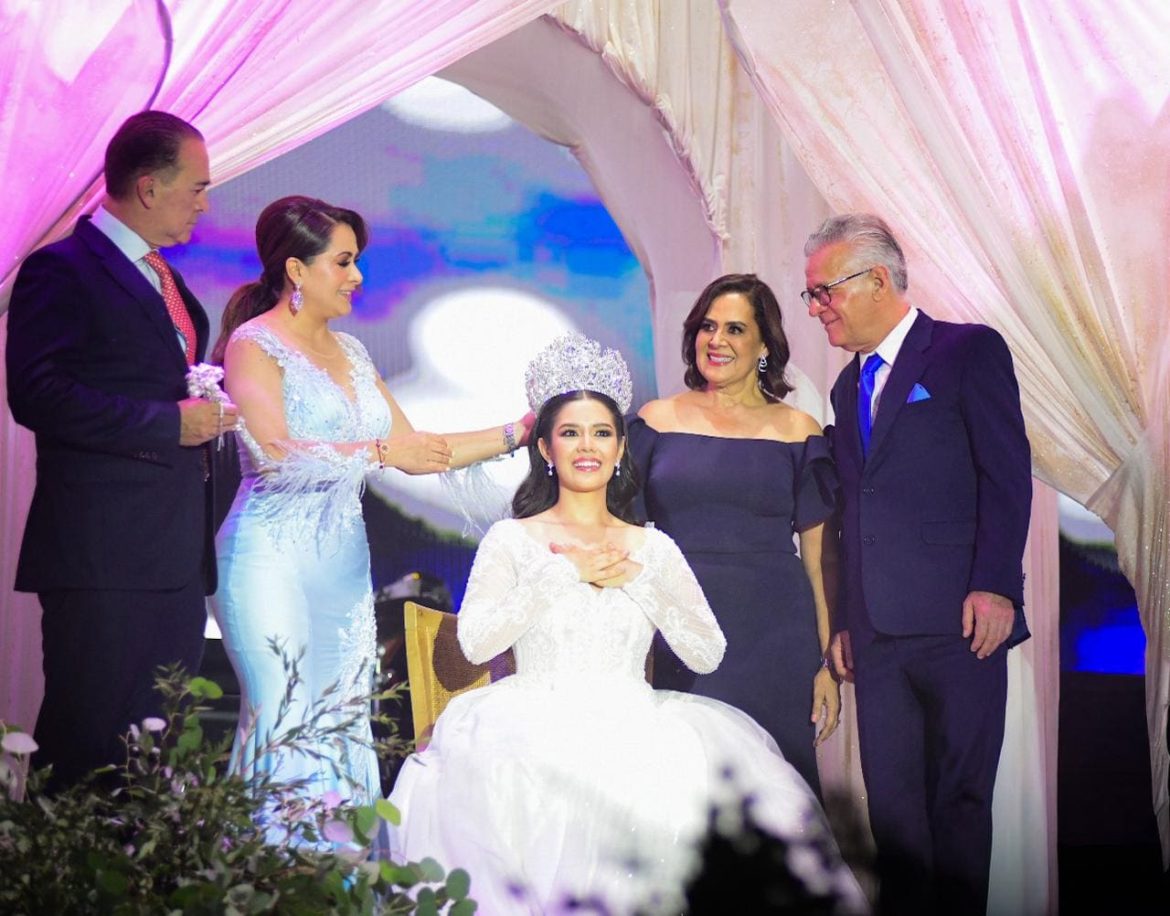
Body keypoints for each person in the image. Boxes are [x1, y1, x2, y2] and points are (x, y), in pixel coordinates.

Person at [387, 333, 865, 914]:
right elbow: (476, 640)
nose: (586, 447)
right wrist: (561, 574)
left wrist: (637, 580)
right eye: (570, 433)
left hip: (638, 722)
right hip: (529, 726)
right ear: (546, 448)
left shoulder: (651, 546)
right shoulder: (511, 539)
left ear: (620, 450)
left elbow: (707, 652)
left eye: (601, 433)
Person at [211, 195, 530, 827]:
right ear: (296, 270)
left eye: (357, 261)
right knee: (283, 713)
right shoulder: (254, 345)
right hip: (268, 558)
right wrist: (381, 451)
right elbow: (274, 452)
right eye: (344, 262)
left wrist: (519, 431)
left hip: (341, 562)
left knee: (342, 715)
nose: (357, 276)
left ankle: (340, 868)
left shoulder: (353, 353)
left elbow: (419, 450)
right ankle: (268, 868)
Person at [803, 213, 1031, 915]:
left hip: (962, 625)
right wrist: (847, 619)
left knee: (958, 804)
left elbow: (1005, 475)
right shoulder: (846, 389)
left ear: (877, 280)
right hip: (876, 637)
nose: (815, 308)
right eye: (811, 294)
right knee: (894, 819)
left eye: (824, 291)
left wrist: (996, 586)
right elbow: (853, 513)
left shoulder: (968, 352)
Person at [5, 111, 238, 790]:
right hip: (103, 552)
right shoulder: (62, 269)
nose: (204, 203)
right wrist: (169, 424)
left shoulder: (166, 278)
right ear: (148, 187)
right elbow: (37, 395)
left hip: (172, 553)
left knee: (152, 751)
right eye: (197, 187)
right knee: (89, 743)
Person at [627, 273, 840, 794]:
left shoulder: (799, 431)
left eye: (735, 329)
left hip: (776, 639)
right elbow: (622, 535)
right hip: (682, 632)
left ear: (765, 346)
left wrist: (826, 666)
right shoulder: (657, 421)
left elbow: (819, 564)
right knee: (687, 790)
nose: (716, 340)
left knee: (777, 795)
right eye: (708, 326)